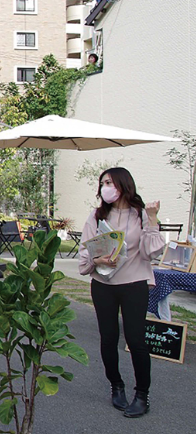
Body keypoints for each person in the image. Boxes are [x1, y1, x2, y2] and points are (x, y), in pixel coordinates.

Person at [78, 167, 164, 418]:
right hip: (103, 285)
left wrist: (153, 219)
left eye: (110, 182)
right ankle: (116, 385)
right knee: (108, 338)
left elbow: (151, 252)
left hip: (134, 284)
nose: (105, 187)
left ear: (124, 185)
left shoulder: (141, 214)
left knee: (136, 340)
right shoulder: (96, 216)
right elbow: (85, 252)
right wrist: (98, 260)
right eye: (102, 183)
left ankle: (142, 394)